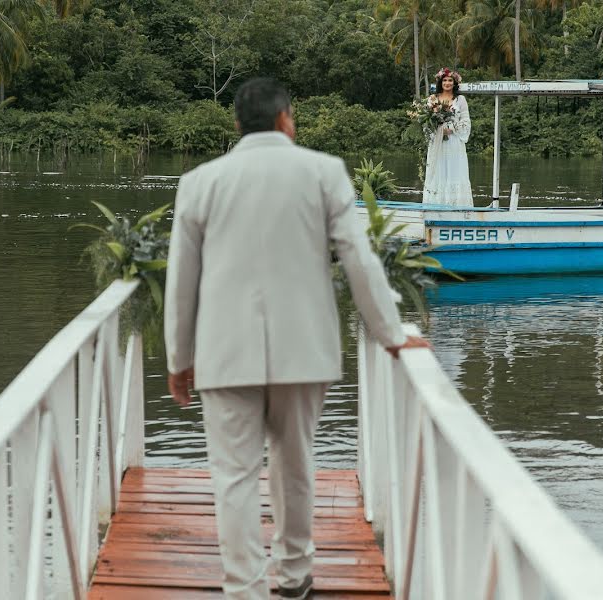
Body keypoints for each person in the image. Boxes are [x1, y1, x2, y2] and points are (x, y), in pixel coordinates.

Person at [163, 77, 431, 600]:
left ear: (238, 123)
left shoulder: (199, 182)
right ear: (286, 117)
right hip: (303, 350)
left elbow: (181, 280)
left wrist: (179, 358)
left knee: (234, 477)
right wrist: (391, 335)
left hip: (224, 351)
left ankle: (243, 589)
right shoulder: (323, 172)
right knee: (296, 464)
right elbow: (358, 258)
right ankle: (294, 578)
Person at [422, 67, 473, 207]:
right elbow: (426, 123)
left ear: (455, 83)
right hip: (437, 143)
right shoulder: (432, 99)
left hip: (454, 141)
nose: (447, 83)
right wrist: (437, 129)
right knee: (438, 171)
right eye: (445, 80)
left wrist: (451, 129)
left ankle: (457, 205)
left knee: (454, 171)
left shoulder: (460, 99)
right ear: (440, 82)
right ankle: (435, 205)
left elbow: (466, 122)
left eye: (450, 80)